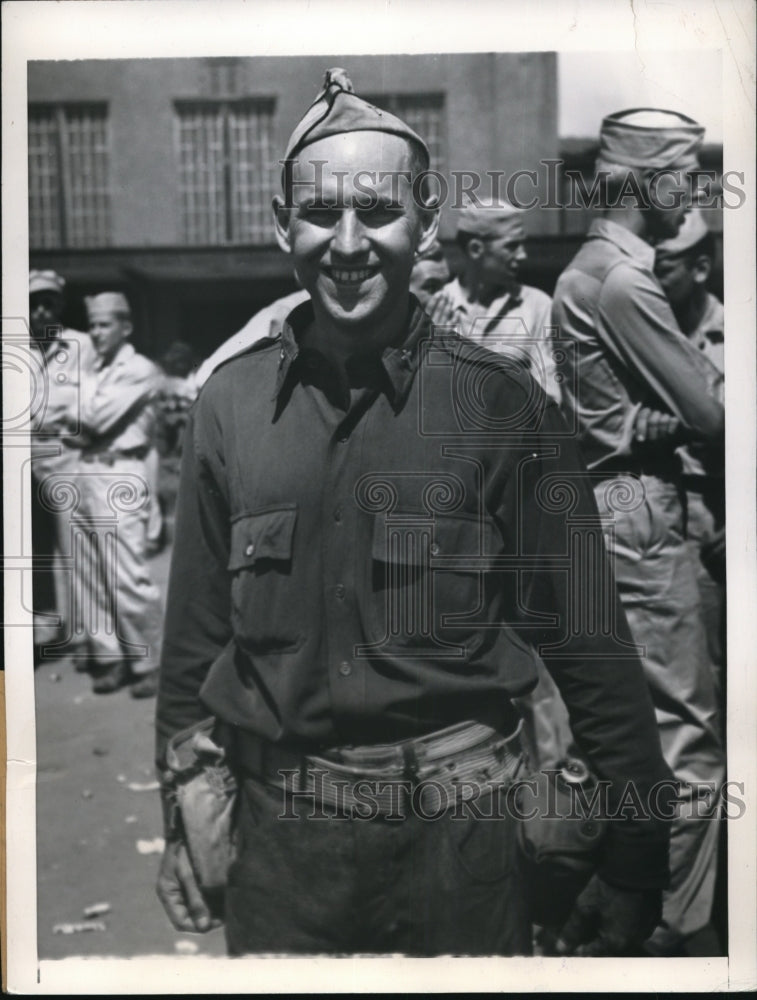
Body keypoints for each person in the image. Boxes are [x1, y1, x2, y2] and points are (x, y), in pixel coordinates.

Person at [156, 69, 674, 957]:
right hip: (283, 853)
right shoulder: (227, 409)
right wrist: (181, 813)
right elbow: (194, 645)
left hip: (467, 847)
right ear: (284, 225)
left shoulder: (504, 408)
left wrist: (635, 857)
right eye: (319, 214)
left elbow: (590, 647)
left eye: (379, 212)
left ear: (425, 224)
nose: (347, 243)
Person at [551, 109, 726, 956]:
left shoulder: (581, 270)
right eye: (685, 175)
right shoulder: (626, 282)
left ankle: (598, 896)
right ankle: (671, 929)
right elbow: (709, 412)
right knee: (686, 737)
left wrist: (650, 416)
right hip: (645, 511)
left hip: (606, 509)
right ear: (646, 180)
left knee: (620, 727)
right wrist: (670, 414)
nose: (694, 192)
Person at [70, 292, 164, 698]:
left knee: (126, 574)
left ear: (126, 328)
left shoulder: (138, 368)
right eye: (92, 325)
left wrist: (66, 404)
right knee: (88, 573)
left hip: (121, 469)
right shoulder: (96, 368)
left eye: (104, 325)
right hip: (88, 467)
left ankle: (149, 660)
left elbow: (88, 418)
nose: (95, 332)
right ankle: (110, 657)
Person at [192, 244, 449, 391]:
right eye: (432, 286)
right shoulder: (291, 312)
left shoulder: (409, 332)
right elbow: (208, 378)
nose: (444, 296)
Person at [655, 209, 725, 695]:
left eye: (663, 268)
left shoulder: (736, 331)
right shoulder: (646, 335)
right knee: (689, 666)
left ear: (700, 269)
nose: (650, 279)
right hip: (672, 515)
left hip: (726, 509)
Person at [428, 201, 561, 403]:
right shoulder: (438, 308)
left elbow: (550, 393)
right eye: (512, 246)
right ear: (475, 250)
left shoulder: (537, 306)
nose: (522, 255)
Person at [28, 269, 96, 657]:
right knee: (34, 550)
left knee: (76, 550)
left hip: (68, 459)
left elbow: (96, 400)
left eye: (48, 302)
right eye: (34, 304)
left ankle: (87, 632)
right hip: (23, 461)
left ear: (60, 305)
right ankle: (46, 625)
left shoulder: (82, 345)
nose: (41, 311)